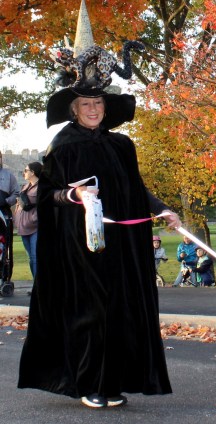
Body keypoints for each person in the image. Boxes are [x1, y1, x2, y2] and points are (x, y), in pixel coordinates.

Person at [17, 85, 182, 407]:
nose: (93, 109)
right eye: (85, 104)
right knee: (90, 311)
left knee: (118, 309)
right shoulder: (63, 146)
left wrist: (162, 208)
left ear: (106, 108)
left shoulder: (121, 145)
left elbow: (136, 189)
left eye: (97, 103)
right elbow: (48, 195)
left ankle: (111, 382)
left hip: (122, 245)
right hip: (79, 246)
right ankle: (88, 382)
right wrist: (74, 195)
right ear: (74, 109)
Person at [14, 162, 42, 280]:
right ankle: (35, 284)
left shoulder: (41, 187)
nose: (24, 173)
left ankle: (38, 287)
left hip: (34, 227)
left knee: (36, 258)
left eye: (26, 170)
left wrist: (33, 218)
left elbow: (43, 206)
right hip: (23, 227)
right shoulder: (25, 187)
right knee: (31, 258)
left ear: (33, 172)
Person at [0, 151, 20, 283]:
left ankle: (4, 276)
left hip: (3, 215)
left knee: (4, 246)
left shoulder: (8, 176)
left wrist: (6, 201)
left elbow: (16, 193)